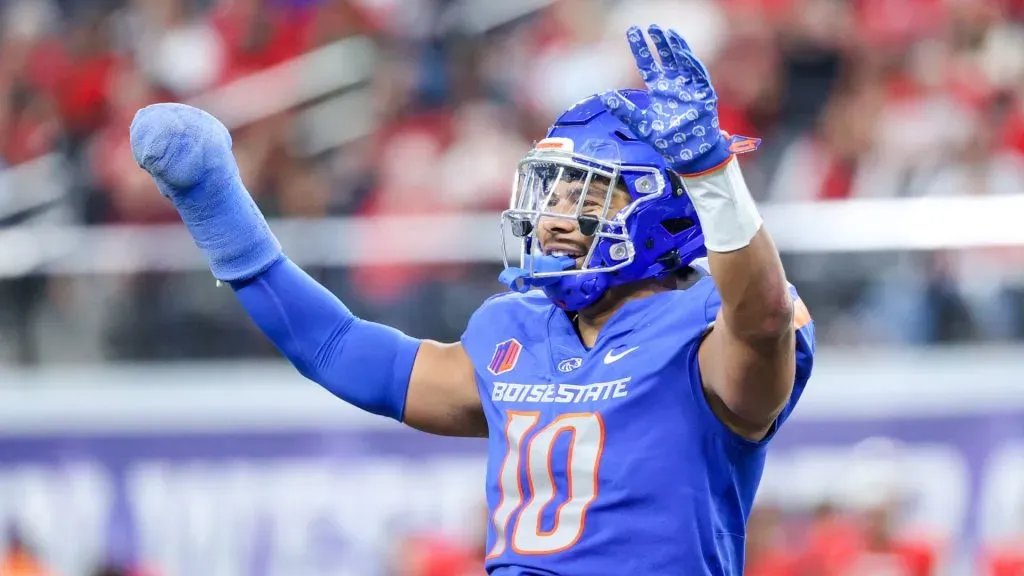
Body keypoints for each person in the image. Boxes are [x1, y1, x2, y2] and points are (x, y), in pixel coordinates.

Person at [128, 24, 814, 576]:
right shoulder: (515, 329)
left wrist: (711, 172)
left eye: (585, 193)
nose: (551, 218)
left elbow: (762, 320)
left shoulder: (706, 326)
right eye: (550, 191)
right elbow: (338, 349)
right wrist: (217, 208)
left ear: (659, 205)